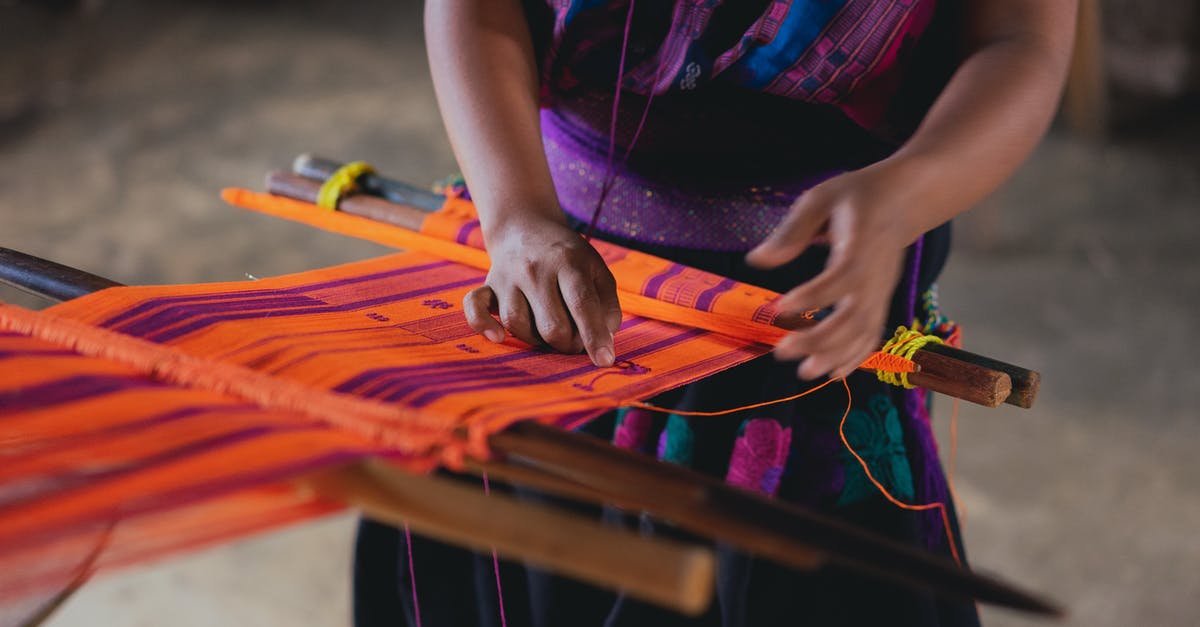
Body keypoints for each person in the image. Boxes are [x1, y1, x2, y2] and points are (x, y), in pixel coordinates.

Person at [354, 1, 1076, 625]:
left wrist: (905, 194)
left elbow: (1019, 38)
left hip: (810, 304)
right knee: (526, 544)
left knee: (789, 573)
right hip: (547, 280)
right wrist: (515, 216)